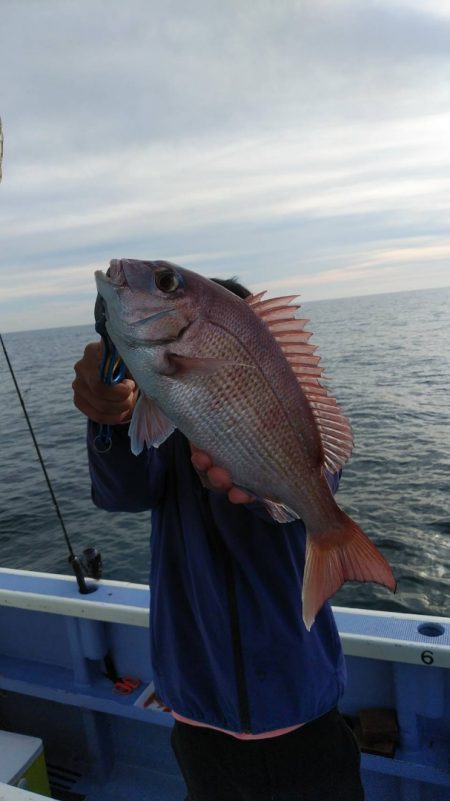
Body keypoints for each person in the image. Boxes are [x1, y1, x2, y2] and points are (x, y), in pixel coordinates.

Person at [72, 277, 364, 801]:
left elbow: (322, 470)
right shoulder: (164, 421)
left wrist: (258, 487)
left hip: (301, 700)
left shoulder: (272, 404)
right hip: (196, 705)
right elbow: (121, 491)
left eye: (165, 283)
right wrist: (108, 418)